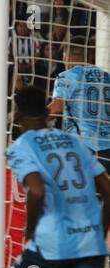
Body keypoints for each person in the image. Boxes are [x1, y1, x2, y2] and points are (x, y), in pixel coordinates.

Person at [1, 85, 110, 268]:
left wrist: (30, 229)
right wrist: (101, 229)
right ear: (46, 112)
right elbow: (108, 190)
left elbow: (37, 190)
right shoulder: (75, 143)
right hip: (88, 244)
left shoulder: (21, 147)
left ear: (18, 116)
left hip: (49, 247)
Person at [48, 36, 110, 172]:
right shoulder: (107, 76)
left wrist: (31, 118)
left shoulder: (68, 76)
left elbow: (57, 107)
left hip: (84, 148)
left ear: (67, 56)